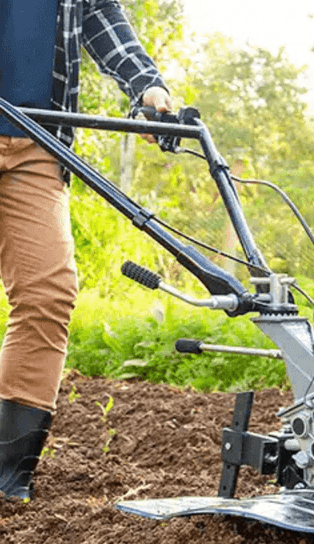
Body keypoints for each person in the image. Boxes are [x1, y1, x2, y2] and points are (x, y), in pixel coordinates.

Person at [0, 0, 171, 500]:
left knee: (47, 293)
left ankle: (7, 477)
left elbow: (98, 14)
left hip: (37, 138)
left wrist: (146, 85)